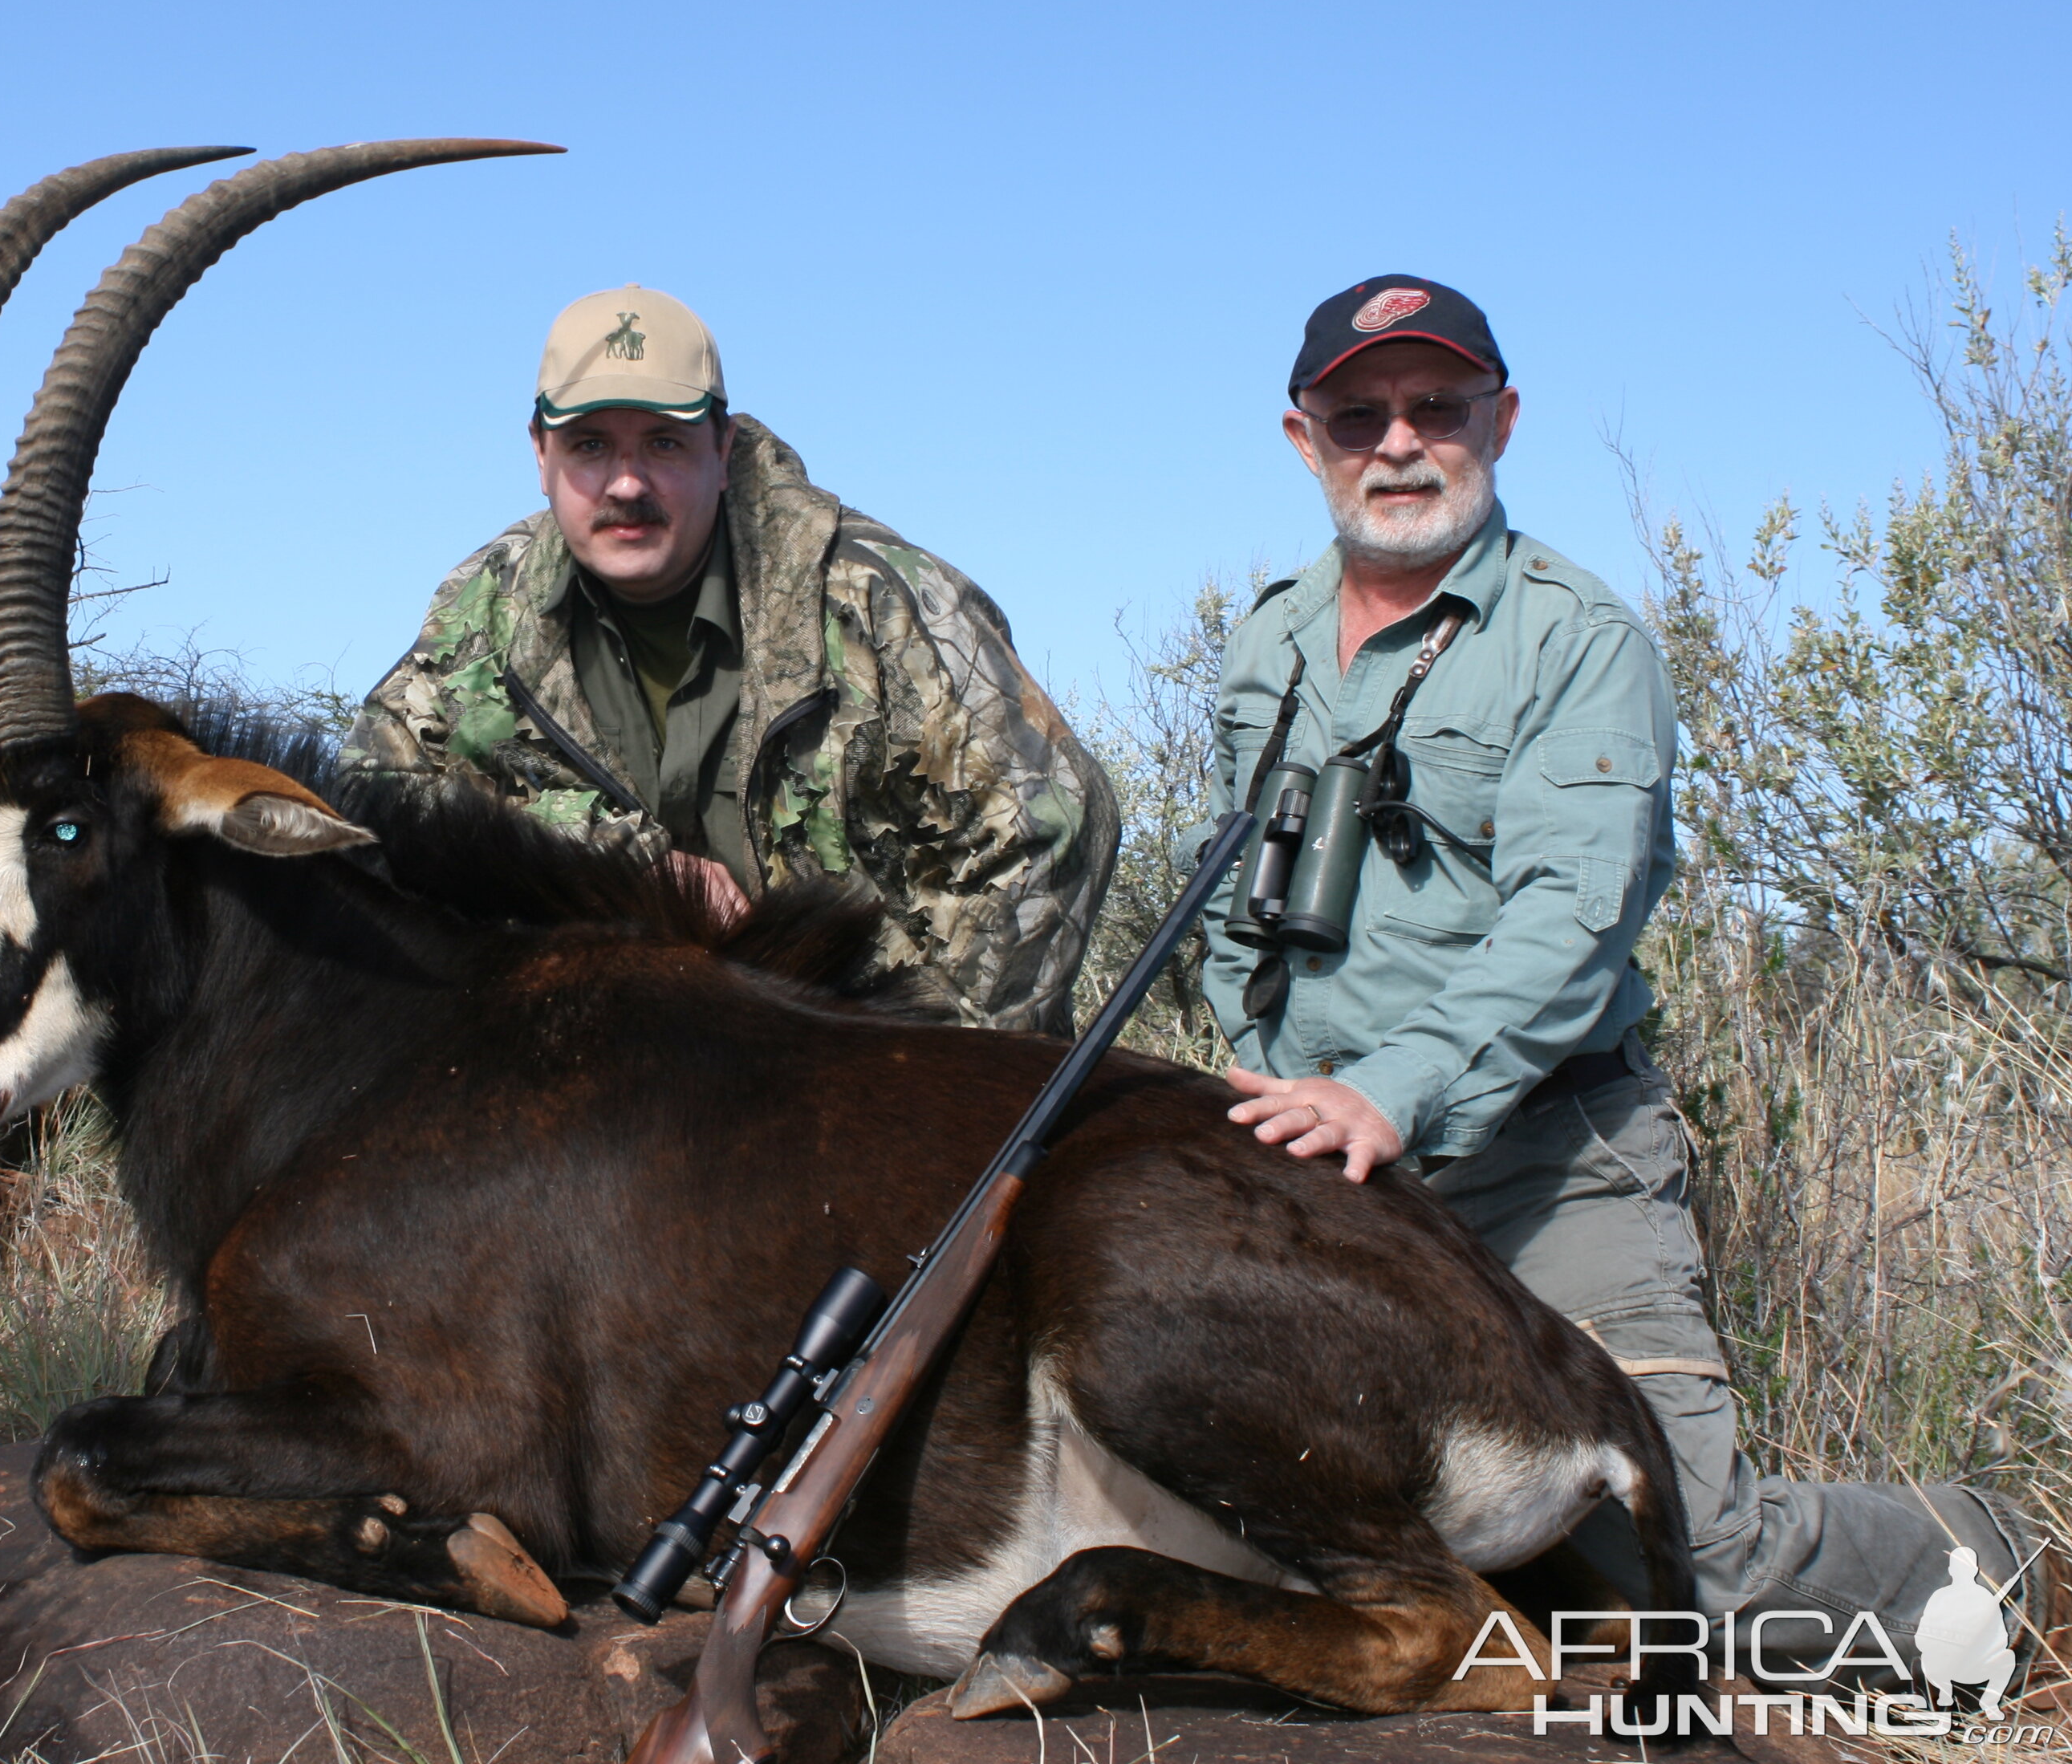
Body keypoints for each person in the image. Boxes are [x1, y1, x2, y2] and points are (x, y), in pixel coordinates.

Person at [1199, 274, 2059, 1681]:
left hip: (1551, 1165)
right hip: (1326, 1166)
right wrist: (1257, 1060)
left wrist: (1381, 1092)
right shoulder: (1268, 639)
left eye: (1437, 406)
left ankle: (2000, 1550)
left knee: (1689, 1573)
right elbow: (1238, 890)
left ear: (1501, 419)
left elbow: (1566, 928)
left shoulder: (1578, 641)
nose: (1399, 442)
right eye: (1359, 414)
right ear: (1304, 439)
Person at [346, 285, 1117, 1032]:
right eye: (589, 445)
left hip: (861, 1060)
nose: (626, 482)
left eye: (664, 443)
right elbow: (373, 794)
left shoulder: (876, 599)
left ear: (724, 446)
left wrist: (910, 1054)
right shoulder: (487, 607)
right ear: (540, 454)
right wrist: (627, 862)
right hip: (615, 1069)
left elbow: (1050, 826)